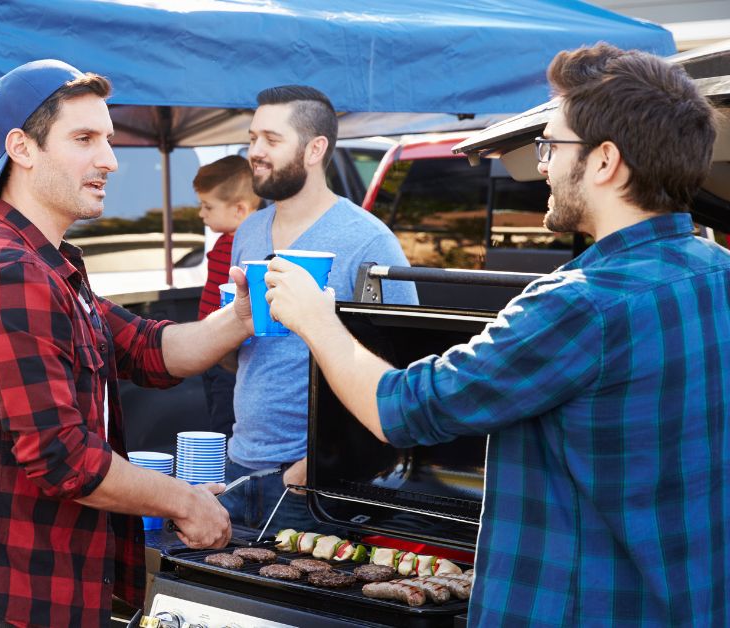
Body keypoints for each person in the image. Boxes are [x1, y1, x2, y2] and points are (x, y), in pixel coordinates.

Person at [263, 44, 728, 626]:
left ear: (605, 160)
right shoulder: (717, 271)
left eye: (551, 146)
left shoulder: (578, 303)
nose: (542, 166)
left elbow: (405, 410)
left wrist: (316, 319)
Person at [0, 59, 252, 627]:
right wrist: (183, 499)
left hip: (44, 590)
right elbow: (61, 459)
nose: (110, 159)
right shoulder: (9, 272)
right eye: (85, 139)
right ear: (21, 148)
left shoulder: (49, 266)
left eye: (109, 139)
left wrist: (243, 317)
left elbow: (149, 349)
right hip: (8, 600)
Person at [219, 85, 417, 535]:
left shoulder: (369, 240)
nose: (255, 152)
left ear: (315, 149)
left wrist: (318, 464)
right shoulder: (249, 231)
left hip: (313, 482)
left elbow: (401, 373)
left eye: (271, 139)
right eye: (252, 138)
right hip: (241, 466)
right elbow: (247, 354)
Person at [193, 155, 259, 438]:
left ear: (240, 210)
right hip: (209, 352)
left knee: (223, 428)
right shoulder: (224, 240)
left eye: (207, 206)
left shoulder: (248, 248)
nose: (201, 214)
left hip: (229, 360)